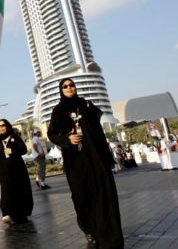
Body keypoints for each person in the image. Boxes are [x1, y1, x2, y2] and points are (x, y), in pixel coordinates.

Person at [48, 78, 124, 248]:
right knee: (81, 197)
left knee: (103, 195)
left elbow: (98, 131)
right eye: (65, 86)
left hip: (95, 158)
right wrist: (66, 139)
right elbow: (52, 134)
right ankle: (89, 229)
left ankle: (108, 236)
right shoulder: (58, 111)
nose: (69, 88)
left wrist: (107, 157)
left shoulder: (86, 105)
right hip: (75, 162)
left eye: (71, 85)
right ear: (61, 90)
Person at [0, 119, 33, 225]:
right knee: (6, 190)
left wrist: (12, 151)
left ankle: (20, 214)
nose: (1, 127)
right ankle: (6, 214)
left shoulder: (15, 137)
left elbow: (24, 150)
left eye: (3, 125)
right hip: (3, 170)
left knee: (18, 191)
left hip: (17, 170)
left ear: (7, 126)